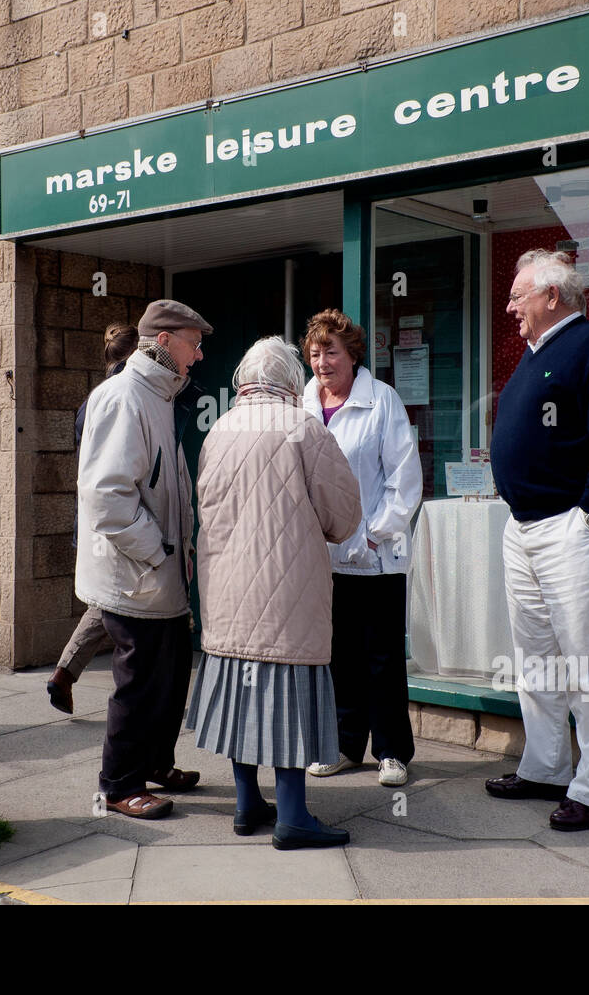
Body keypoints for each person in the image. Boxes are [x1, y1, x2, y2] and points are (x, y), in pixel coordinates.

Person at [486, 249, 589, 832]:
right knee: (536, 661)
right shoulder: (534, 355)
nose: (510, 308)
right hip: (523, 527)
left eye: (517, 296)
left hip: (572, 527)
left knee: (584, 663)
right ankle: (545, 766)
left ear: (552, 295)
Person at [186, 337, 361, 849]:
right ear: (289, 381)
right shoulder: (302, 427)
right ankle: (292, 817)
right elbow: (343, 517)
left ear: (244, 380)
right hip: (287, 594)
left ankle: (246, 805)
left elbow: (206, 509)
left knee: (243, 698)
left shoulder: (218, 430)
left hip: (226, 596)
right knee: (285, 699)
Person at [75, 299, 211, 820]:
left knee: (171, 676)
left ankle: (156, 760)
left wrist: (182, 547)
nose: (198, 357)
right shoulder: (122, 398)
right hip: (135, 576)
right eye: (193, 344)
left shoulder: (158, 395)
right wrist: (160, 553)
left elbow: (166, 482)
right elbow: (107, 499)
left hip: (159, 573)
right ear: (164, 341)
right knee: (137, 685)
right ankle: (118, 785)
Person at [301, 310, 422, 788]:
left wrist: (372, 533)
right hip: (322, 559)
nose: (323, 362)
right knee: (338, 655)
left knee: (382, 657)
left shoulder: (383, 402)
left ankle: (392, 751)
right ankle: (347, 745)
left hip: (375, 557)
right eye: (315, 352)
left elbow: (404, 477)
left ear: (353, 354)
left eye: (332, 351)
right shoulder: (304, 403)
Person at [47, 322, 139, 715]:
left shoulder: (95, 397)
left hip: (92, 521)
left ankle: (65, 674)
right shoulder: (122, 396)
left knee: (104, 605)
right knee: (116, 606)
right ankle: (126, 694)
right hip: (114, 521)